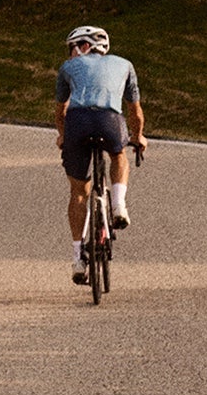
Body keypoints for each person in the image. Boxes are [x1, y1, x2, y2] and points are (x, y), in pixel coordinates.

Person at [55, 24, 147, 285]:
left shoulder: (67, 68)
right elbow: (135, 112)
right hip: (110, 120)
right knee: (119, 155)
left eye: (73, 48)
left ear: (84, 46)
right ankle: (118, 205)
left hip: (78, 121)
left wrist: (62, 136)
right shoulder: (125, 65)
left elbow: (61, 111)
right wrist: (138, 136)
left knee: (78, 193)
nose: (71, 53)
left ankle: (77, 257)